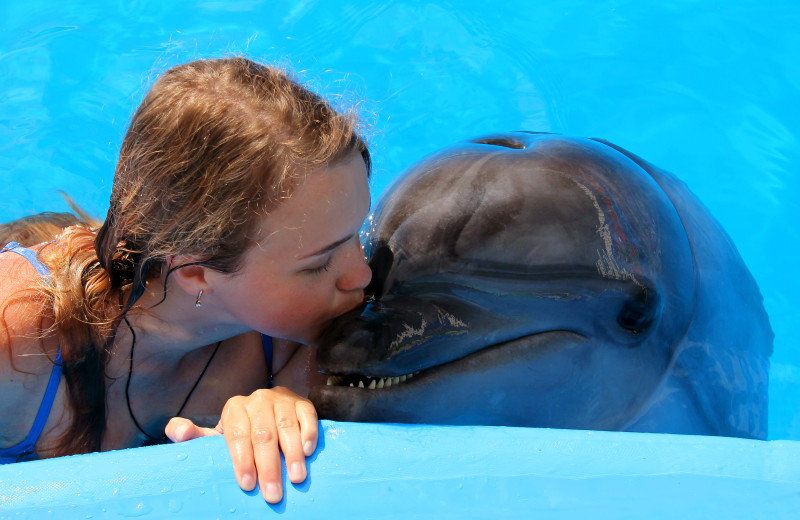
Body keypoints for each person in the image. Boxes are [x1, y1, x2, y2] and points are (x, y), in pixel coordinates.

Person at [0, 56, 372, 504]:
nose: (363, 275)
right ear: (197, 273)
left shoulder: (300, 346)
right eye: (319, 263)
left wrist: (282, 407)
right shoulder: (17, 334)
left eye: (356, 235)